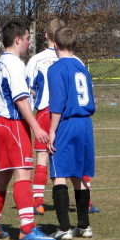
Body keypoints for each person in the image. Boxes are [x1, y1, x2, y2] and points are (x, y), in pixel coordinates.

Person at [0, 19, 55, 240]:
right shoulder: (14, 64)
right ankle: (27, 228)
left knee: (3, 173)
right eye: (26, 39)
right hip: (12, 124)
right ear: (17, 40)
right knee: (23, 172)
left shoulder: (0, 63)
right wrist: (37, 127)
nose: (28, 43)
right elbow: (21, 100)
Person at [26, 18, 100, 215]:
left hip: (47, 113)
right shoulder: (77, 61)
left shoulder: (36, 59)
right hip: (75, 116)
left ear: (47, 36)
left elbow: (28, 89)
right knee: (79, 158)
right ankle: (88, 201)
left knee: (43, 157)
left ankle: (38, 201)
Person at [46, 26, 96, 240]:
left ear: (55, 45)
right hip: (85, 124)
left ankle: (64, 228)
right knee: (79, 175)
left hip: (66, 122)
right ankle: (83, 225)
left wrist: (51, 131)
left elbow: (57, 104)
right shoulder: (81, 66)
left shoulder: (56, 69)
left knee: (59, 174)